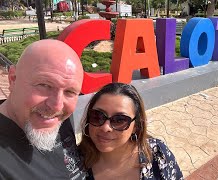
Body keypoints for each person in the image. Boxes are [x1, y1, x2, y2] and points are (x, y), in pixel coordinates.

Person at [0, 39, 86, 179]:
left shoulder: (58, 119)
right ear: (13, 79)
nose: (57, 106)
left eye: (70, 92)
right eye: (45, 85)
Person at [79, 83, 183, 180]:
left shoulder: (157, 154)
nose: (106, 127)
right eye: (97, 116)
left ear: (136, 126)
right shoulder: (74, 163)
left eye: (119, 120)